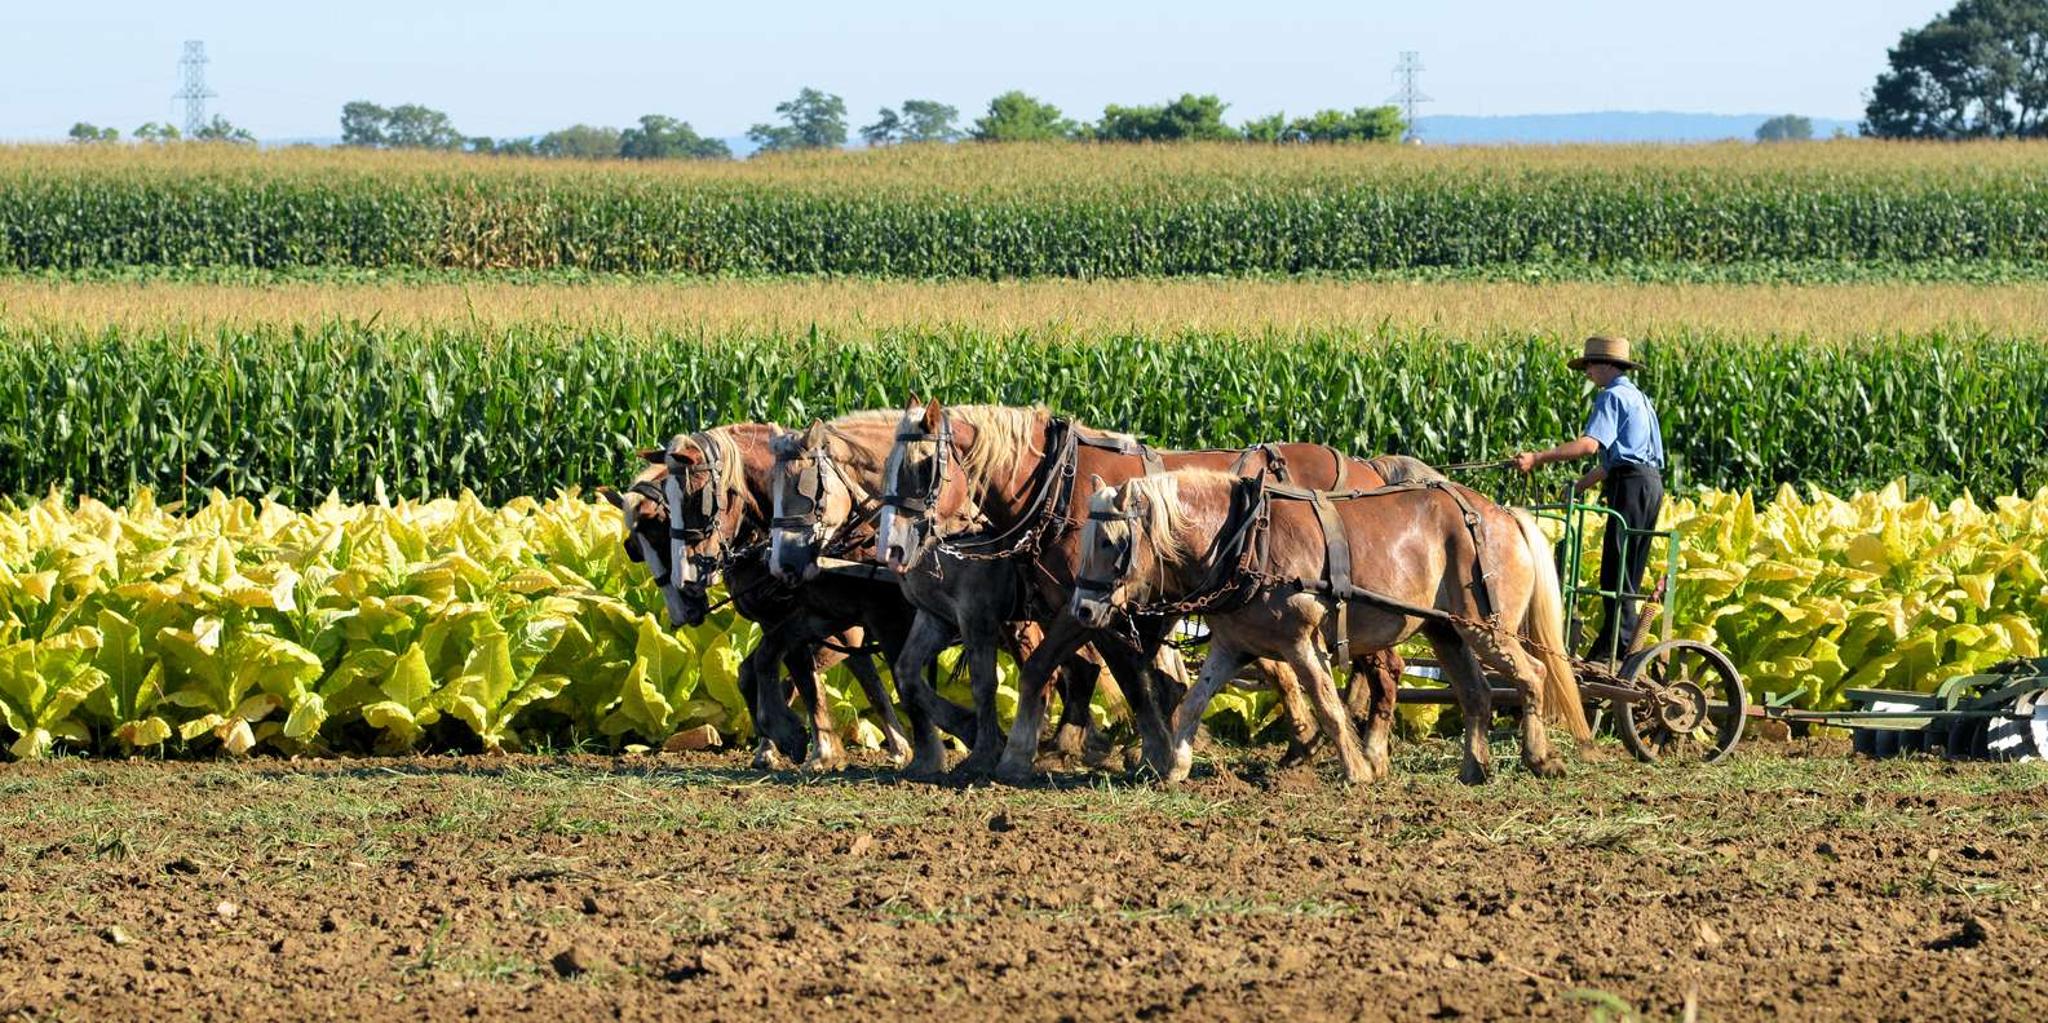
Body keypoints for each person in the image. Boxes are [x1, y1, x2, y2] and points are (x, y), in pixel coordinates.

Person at [1509, 335, 1666, 660]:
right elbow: (1613, 462)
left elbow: (1589, 446)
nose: (1588, 373)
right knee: (1627, 571)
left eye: (1590, 366)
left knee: (1615, 574)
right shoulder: (1638, 397)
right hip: (1648, 484)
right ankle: (1612, 645)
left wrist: (1537, 458)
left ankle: (1619, 648)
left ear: (1607, 365)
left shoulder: (1611, 396)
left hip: (1630, 485)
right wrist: (1578, 487)